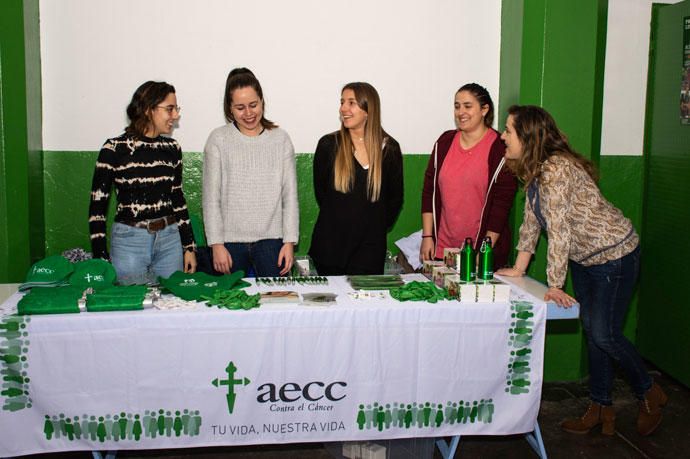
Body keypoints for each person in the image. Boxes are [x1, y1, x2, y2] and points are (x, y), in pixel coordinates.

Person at [496, 105, 667, 437]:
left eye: (508, 130)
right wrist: (519, 267)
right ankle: (600, 408)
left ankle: (649, 392)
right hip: (586, 260)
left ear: (527, 137)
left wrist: (555, 285)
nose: (503, 135)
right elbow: (532, 222)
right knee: (593, 332)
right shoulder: (534, 170)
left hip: (615, 255)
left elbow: (559, 231)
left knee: (604, 333)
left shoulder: (556, 170)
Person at [88, 81, 197, 284]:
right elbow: (97, 210)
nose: (175, 115)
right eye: (169, 109)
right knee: (131, 307)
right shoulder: (113, 149)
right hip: (129, 242)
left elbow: (177, 199)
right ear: (148, 109)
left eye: (176, 109)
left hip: (170, 241)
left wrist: (188, 247)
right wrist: (100, 257)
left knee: (171, 305)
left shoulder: (173, 148)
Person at [203, 68, 298, 277]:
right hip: (229, 244)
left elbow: (289, 195)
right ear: (229, 108)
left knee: (275, 304)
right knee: (229, 305)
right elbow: (211, 198)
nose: (248, 113)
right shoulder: (218, 140)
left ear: (262, 101)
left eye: (253, 105)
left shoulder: (280, 139)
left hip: (272, 241)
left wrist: (289, 241)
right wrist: (216, 244)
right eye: (240, 107)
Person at [308, 82, 403, 275]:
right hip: (330, 249)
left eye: (351, 103)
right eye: (342, 102)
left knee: (365, 304)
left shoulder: (389, 149)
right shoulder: (328, 145)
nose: (344, 108)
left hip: (369, 251)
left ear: (369, 109)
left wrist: (370, 227)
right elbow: (322, 194)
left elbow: (394, 201)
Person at [420, 83, 517, 268]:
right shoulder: (444, 142)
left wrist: (485, 250)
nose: (460, 112)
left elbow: (501, 206)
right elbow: (429, 192)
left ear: (484, 110)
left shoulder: (500, 148)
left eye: (467, 106)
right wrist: (427, 236)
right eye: (457, 106)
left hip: (481, 252)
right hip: (443, 250)